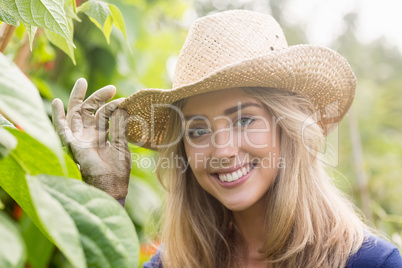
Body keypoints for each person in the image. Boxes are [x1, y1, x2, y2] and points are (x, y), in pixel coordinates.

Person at [52, 10, 402, 268]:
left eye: (244, 119)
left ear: (287, 127)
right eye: (198, 130)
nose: (222, 150)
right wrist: (106, 198)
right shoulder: (176, 263)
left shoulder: (371, 263)